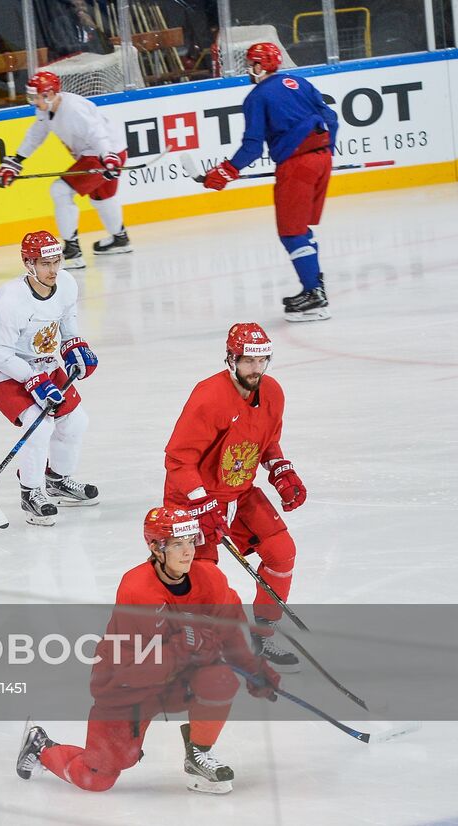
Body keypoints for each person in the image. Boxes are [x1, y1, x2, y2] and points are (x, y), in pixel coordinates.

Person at [16, 505, 281, 794]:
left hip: (177, 679)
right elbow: (142, 665)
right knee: (96, 778)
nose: (188, 551)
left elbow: (230, 632)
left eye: (191, 542)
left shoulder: (211, 580)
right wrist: (185, 644)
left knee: (219, 678)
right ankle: (40, 747)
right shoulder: (137, 590)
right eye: (178, 544)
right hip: (127, 685)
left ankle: (198, 755)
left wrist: (255, 670)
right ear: (156, 548)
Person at [162, 322, 307, 671]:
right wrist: (201, 501)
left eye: (262, 361)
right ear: (231, 359)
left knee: (281, 553)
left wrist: (280, 469)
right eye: (248, 362)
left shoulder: (273, 392)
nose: (256, 370)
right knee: (202, 581)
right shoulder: (209, 396)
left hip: (239, 492)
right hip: (192, 498)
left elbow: (266, 440)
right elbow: (178, 459)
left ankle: (261, 636)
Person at [202, 42, 338, 322]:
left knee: (291, 232)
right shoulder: (300, 82)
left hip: (297, 165)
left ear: (260, 66)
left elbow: (253, 146)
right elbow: (331, 118)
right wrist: (326, 150)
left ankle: (314, 294)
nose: (249, 69)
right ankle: (314, 286)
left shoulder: (257, 96)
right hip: (322, 159)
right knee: (301, 229)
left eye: (252, 63)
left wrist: (226, 171)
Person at [0, 230, 98, 525]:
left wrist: (74, 347)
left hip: (39, 360)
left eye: (56, 261)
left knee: (76, 421)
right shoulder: (12, 299)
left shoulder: (66, 283)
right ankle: (31, 493)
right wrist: (31, 380)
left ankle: (56, 479)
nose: (53, 270)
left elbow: (66, 322)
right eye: (45, 263)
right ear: (29, 264)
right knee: (39, 427)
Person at [0, 70, 131, 269]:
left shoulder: (73, 109)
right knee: (102, 198)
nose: (33, 101)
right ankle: (120, 239)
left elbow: (97, 132)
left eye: (35, 97)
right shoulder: (46, 109)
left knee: (60, 190)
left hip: (103, 154)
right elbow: (36, 134)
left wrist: (107, 156)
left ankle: (72, 251)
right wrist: (16, 161)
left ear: (49, 94)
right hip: (104, 154)